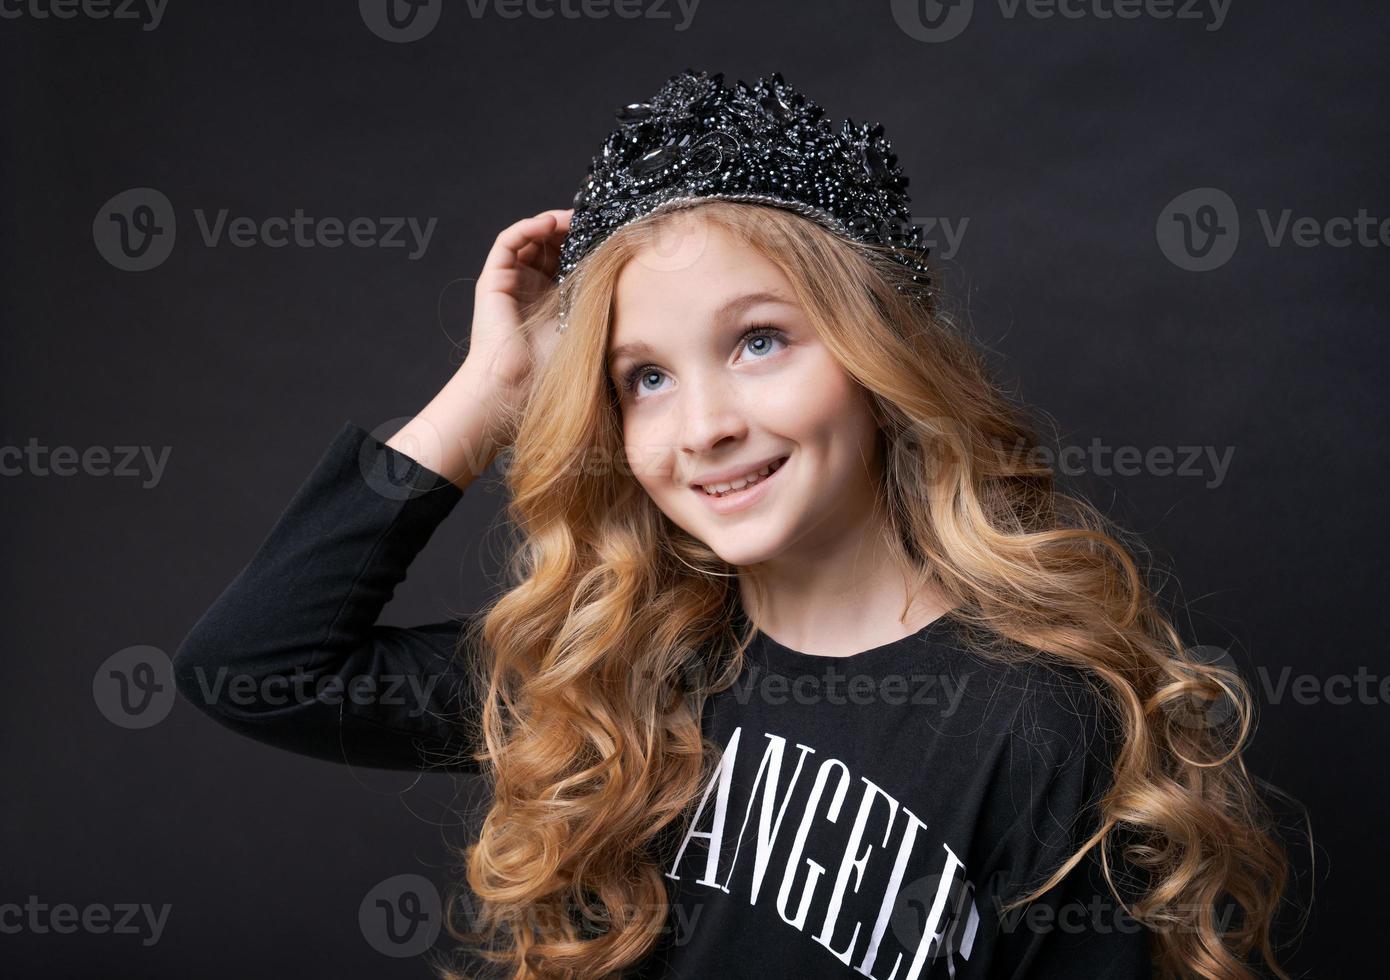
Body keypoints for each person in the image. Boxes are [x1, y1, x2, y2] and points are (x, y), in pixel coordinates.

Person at [173, 70, 1292, 979]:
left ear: (876, 355)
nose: (703, 424)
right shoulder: (612, 673)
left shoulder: (1038, 718)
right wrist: (490, 390)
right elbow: (255, 664)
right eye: (644, 376)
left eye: (759, 339)